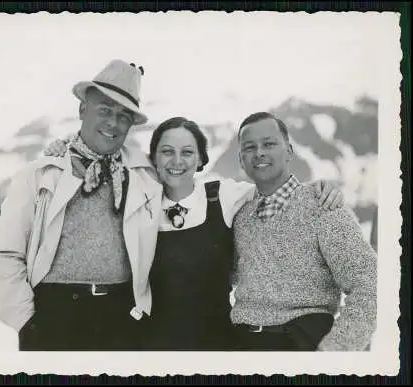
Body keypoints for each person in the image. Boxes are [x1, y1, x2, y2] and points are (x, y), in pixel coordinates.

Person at [44, 116, 344, 350]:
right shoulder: (137, 202)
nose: (177, 161)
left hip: (219, 346)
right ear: (154, 158)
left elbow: (276, 191)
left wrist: (318, 190)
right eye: (167, 152)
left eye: (187, 152)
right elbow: (99, 163)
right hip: (150, 345)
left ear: (201, 159)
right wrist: (63, 150)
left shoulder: (223, 196)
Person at [0, 59, 163, 351]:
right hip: (54, 319)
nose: (112, 123)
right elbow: (3, 257)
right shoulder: (39, 175)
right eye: (104, 110)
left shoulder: (144, 177)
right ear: (82, 109)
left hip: (122, 322)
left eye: (123, 116)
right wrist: (28, 324)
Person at [230, 112, 377, 351]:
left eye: (269, 144)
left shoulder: (323, 206)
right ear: (240, 159)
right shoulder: (240, 215)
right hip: (243, 344)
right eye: (250, 147)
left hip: (300, 342)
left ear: (289, 151)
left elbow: (370, 283)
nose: (259, 153)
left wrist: (335, 351)